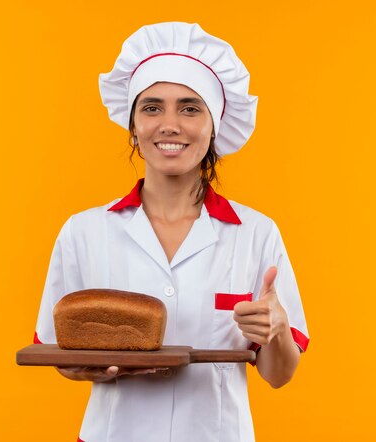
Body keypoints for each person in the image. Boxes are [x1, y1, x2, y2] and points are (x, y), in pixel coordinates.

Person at [34, 22, 309, 442]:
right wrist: (94, 368)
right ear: (133, 124)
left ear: (214, 124)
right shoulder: (83, 232)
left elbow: (279, 375)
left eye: (189, 108)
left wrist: (273, 331)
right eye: (151, 107)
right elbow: (61, 354)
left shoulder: (256, 234)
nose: (169, 124)